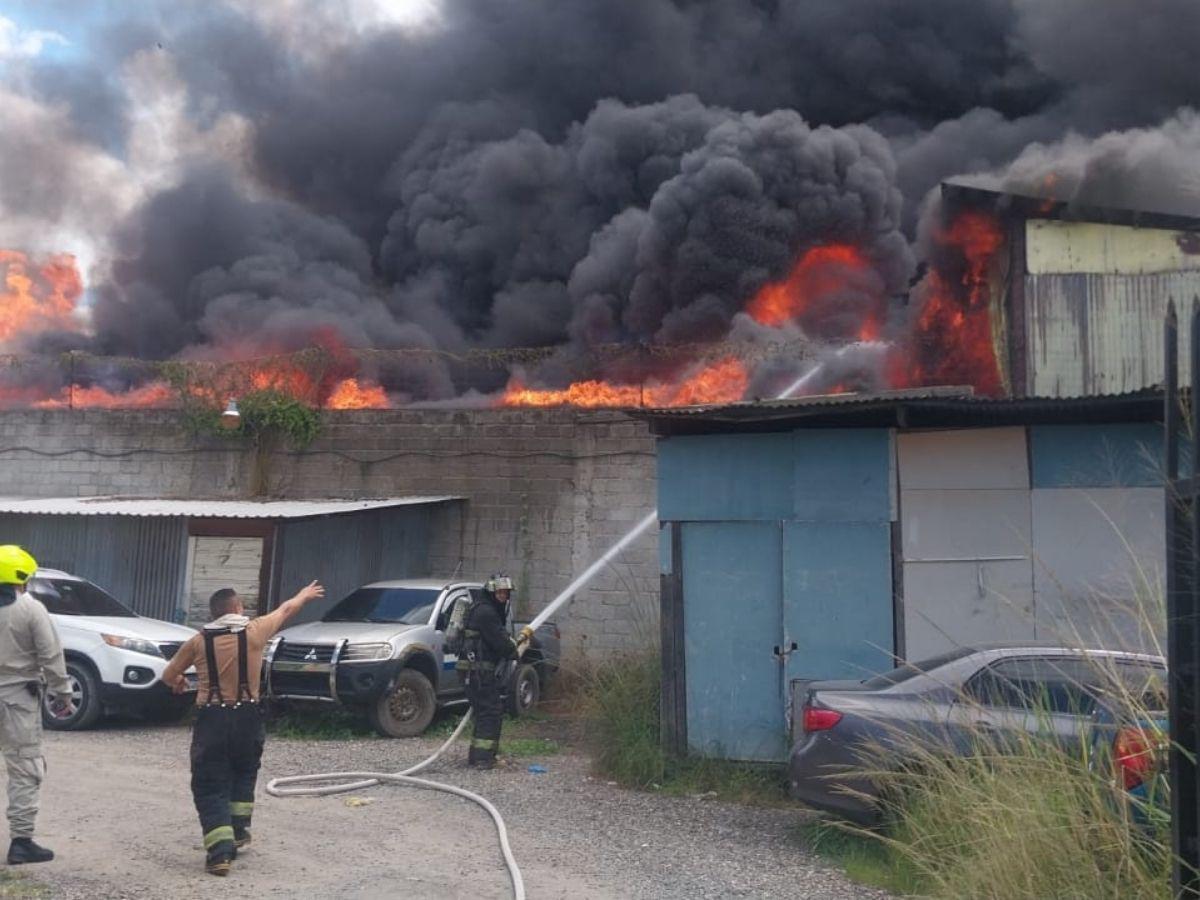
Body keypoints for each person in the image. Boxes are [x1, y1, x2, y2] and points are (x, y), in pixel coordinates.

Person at [161, 580, 324, 876]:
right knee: (243, 772)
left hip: (211, 718)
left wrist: (179, 681)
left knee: (209, 784)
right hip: (248, 717)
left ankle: (220, 853)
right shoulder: (254, 631)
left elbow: (168, 674)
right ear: (238, 608)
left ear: (214, 614)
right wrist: (304, 594)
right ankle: (237, 832)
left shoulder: (198, 641)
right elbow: (287, 609)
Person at [0, 545, 72, 865]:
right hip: (18, 701)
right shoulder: (31, 609)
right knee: (24, 769)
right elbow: (51, 655)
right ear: (22, 578)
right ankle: (21, 841)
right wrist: (62, 693)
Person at [458, 574, 533, 769]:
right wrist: (516, 647)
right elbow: (503, 645)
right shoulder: (486, 613)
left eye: (506, 593)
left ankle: (477, 756)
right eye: (499, 593)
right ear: (490, 593)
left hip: (474, 671)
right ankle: (483, 759)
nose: (503, 597)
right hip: (478, 672)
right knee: (491, 712)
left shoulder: (482, 608)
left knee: (484, 712)